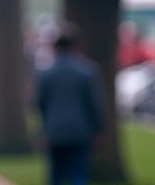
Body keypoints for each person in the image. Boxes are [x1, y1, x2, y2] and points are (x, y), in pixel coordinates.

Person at [36, 25, 104, 185]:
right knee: (78, 175)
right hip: (80, 132)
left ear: (55, 48)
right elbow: (94, 104)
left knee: (55, 176)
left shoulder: (46, 73)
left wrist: (45, 128)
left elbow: (39, 103)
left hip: (54, 132)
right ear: (76, 46)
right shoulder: (87, 71)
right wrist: (99, 129)